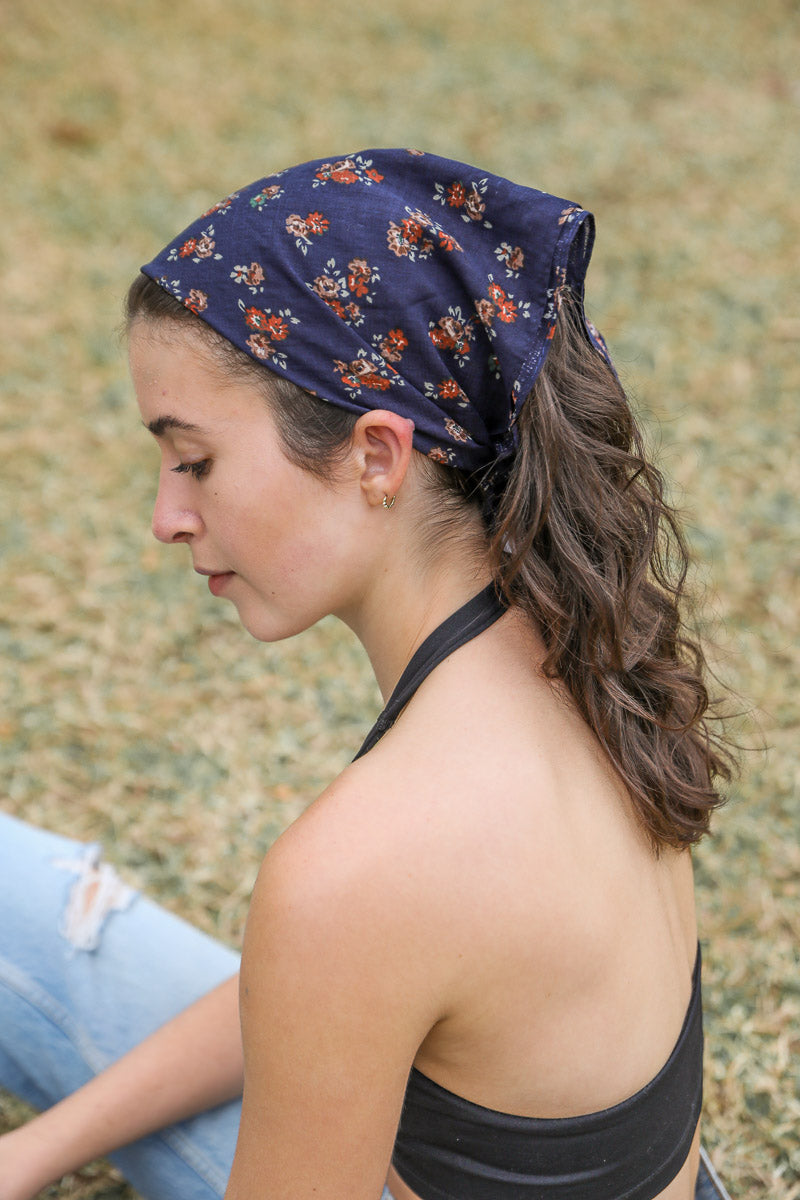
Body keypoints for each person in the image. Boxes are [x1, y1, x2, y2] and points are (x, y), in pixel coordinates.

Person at [0, 149, 734, 1200]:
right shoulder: (588, 656)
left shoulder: (360, 870)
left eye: (194, 459)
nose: (165, 517)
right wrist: (33, 1152)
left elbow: (349, 938)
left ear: (378, 455)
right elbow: (343, 988)